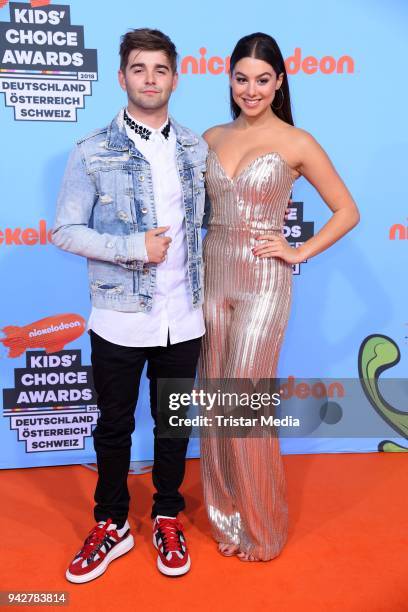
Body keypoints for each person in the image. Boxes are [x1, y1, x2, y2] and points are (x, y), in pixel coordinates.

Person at [52, 28, 207, 581]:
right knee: (114, 427)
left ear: (174, 77)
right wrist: (132, 249)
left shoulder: (195, 146)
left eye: (159, 69)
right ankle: (112, 522)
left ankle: (167, 513)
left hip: (185, 314)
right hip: (119, 316)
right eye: (138, 69)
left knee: (172, 425)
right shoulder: (92, 150)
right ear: (122, 78)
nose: (149, 79)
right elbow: (66, 231)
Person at [199, 32, 359, 562]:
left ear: (280, 81)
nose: (251, 89)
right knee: (217, 404)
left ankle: (263, 527)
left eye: (262, 79)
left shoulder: (298, 141)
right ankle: (226, 515)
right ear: (229, 79)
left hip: (263, 282)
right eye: (242, 78)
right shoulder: (209, 136)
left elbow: (347, 210)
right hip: (212, 279)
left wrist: (298, 250)